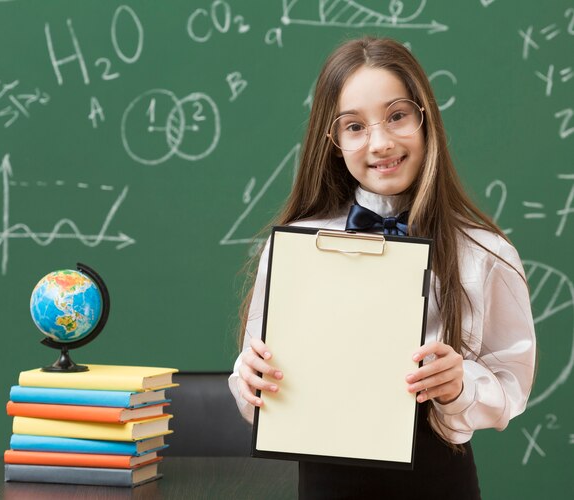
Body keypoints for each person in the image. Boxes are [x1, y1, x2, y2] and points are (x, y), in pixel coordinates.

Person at [228, 36, 536, 499]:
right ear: (331, 142)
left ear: (425, 117)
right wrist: (249, 379)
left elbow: (512, 379)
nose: (381, 142)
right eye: (354, 126)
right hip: (325, 478)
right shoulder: (298, 246)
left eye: (397, 115)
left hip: (437, 478)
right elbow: (257, 382)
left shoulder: (485, 253)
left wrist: (459, 385)